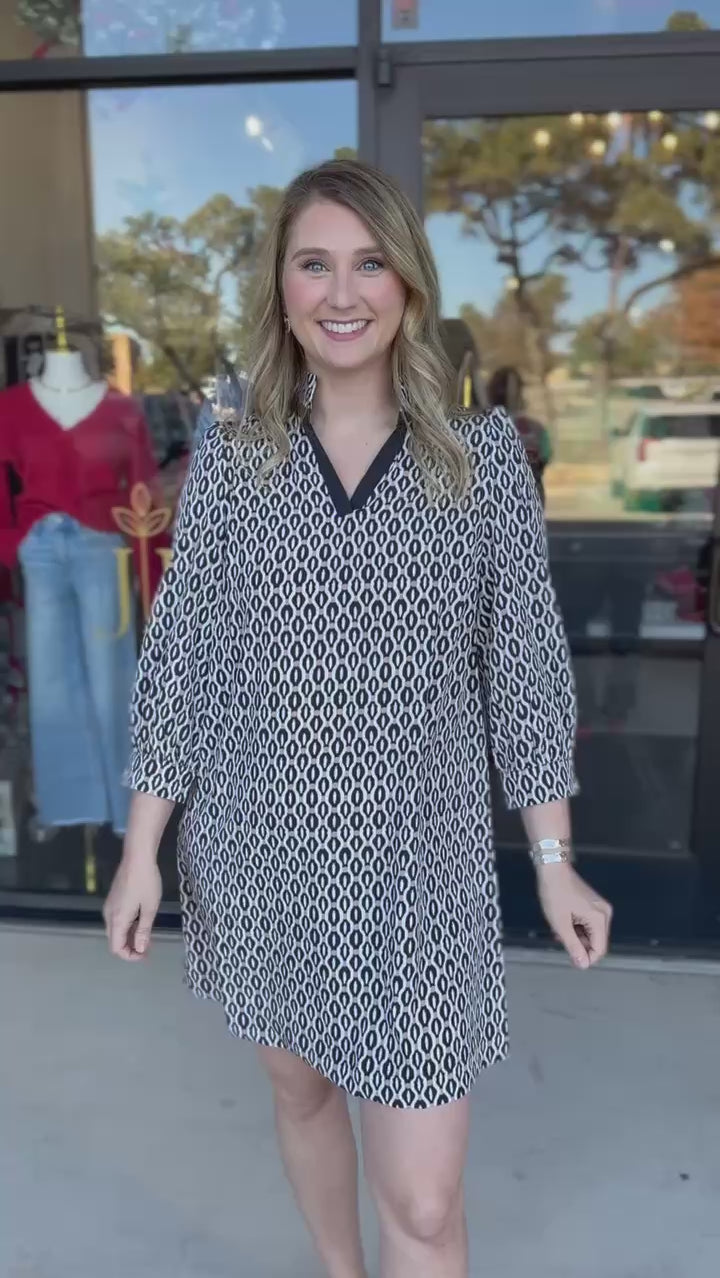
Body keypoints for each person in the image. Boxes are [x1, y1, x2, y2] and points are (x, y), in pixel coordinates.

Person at [104, 158, 612, 1278]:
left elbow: (525, 668)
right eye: (315, 264)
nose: (343, 293)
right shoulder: (234, 461)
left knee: (424, 1204)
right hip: (260, 857)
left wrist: (555, 861)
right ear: (282, 291)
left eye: (370, 263)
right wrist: (141, 849)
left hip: (418, 877)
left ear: (409, 285)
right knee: (301, 1090)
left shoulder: (482, 461)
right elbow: (182, 656)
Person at [487, 365, 553, 504]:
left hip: (494, 501)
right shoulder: (536, 429)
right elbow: (545, 457)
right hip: (530, 500)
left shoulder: (481, 430)